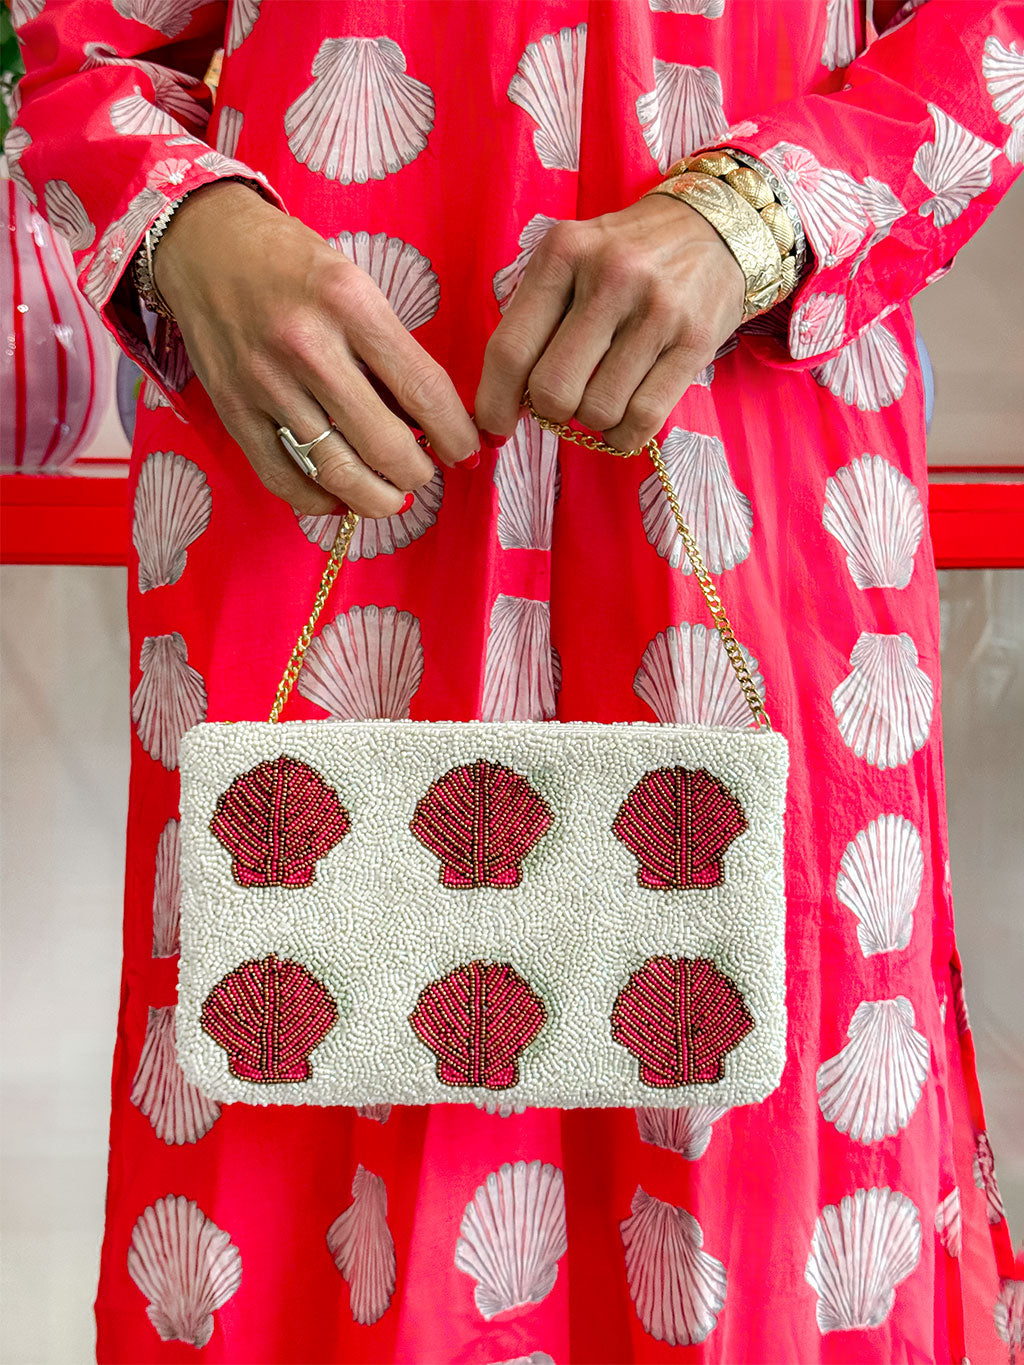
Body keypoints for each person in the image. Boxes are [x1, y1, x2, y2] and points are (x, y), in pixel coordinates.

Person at [9, 0, 1022, 1360]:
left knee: (753, 1166)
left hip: (741, 466)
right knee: (291, 1129)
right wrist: (184, 225)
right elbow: (79, 42)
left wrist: (763, 208)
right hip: (317, 451)